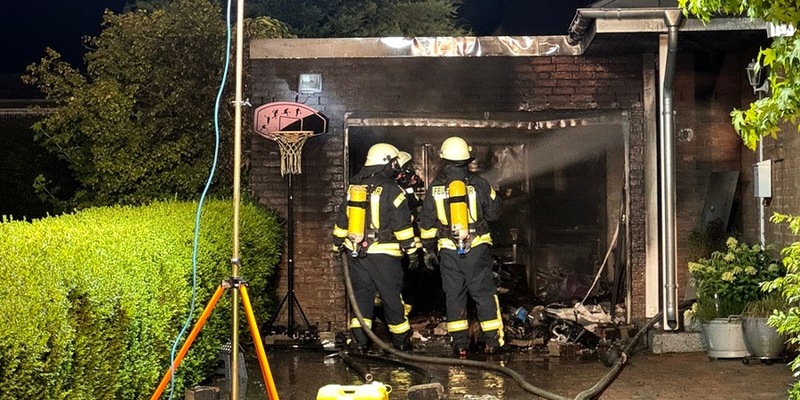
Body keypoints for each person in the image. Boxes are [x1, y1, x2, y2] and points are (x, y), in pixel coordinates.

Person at [418, 136, 503, 357]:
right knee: (483, 294)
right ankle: (492, 342)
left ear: (444, 159)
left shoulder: (435, 188)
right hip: (477, 247)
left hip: (448, 250)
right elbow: (494, 214)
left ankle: (460, 344)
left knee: (454, 295)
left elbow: (426, 223)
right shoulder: (481, 184)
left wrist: (428, 250)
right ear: (467, 160)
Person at [332, 143, 419, 352]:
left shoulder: (354, 188)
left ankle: (359, 342)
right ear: (385, 163)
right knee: (391, 299)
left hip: (356, 253)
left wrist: (337, 246)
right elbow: (402, 225)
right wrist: (412, 251)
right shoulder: (392, 190)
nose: (396, 167)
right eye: (393, 162)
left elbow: (342, 220)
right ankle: (401, 342)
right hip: (385, 255)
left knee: (361, 299)